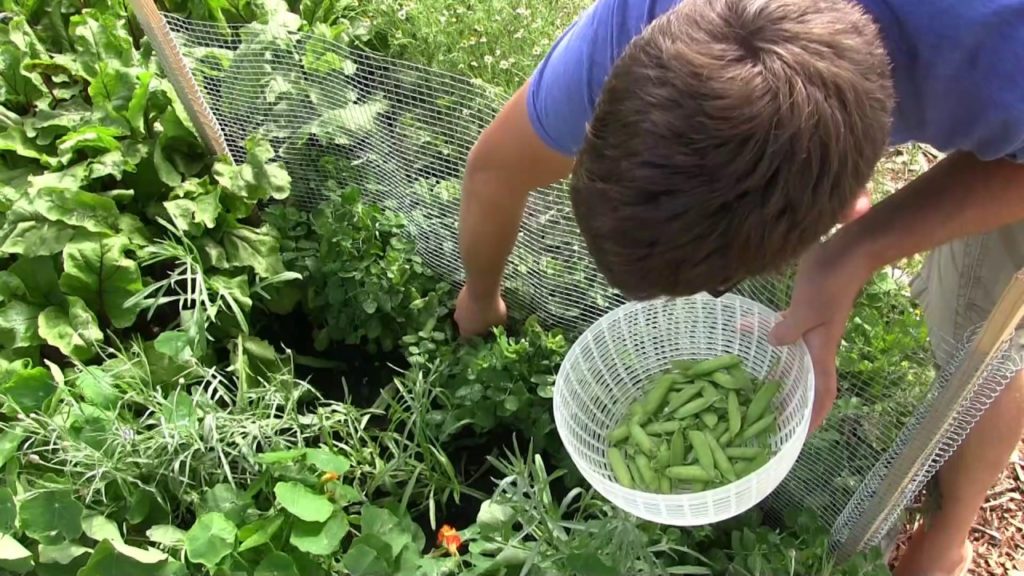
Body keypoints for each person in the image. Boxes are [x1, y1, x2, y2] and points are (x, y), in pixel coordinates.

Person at [452, 0, 1024, 573]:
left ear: (852, 204)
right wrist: (479, 296)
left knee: (982, 338)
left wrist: (861, 249)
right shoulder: (634, 23)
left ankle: (949, 532)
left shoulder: (1000, 57)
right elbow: (495, 168)